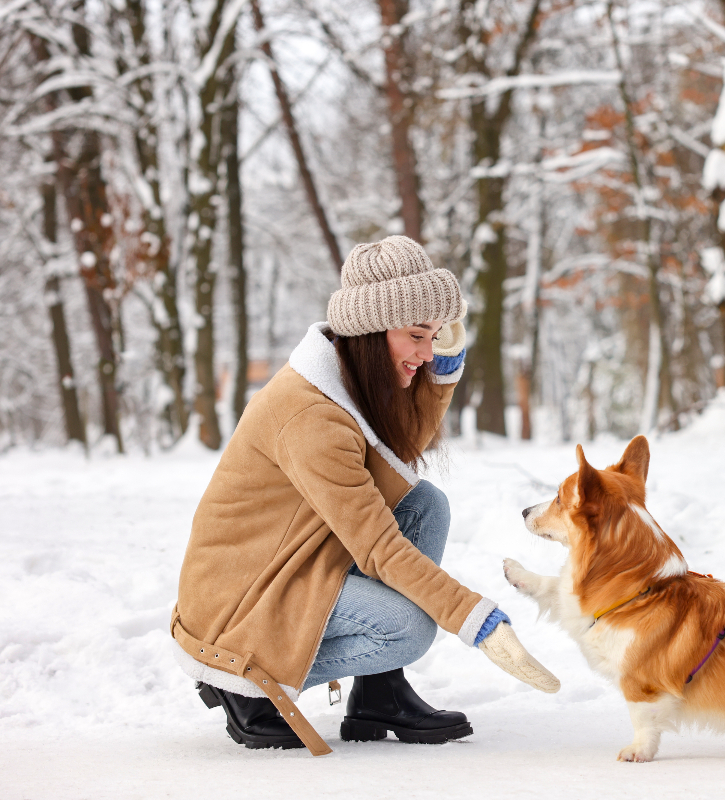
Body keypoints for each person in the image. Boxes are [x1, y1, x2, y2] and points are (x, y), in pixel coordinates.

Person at [171, 236, 557, 755]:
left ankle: (378, 693)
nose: (426, 352)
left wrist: (440, 378)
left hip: (294, 562)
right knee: (409, 628)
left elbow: (390, 465)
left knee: (425, 505)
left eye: (436, 336)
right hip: (244, 598)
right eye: (417, 336)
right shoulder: (312, 418)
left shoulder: (341, 378)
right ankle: (244, 678)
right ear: (372, 332)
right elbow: (379, 548)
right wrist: (477, 622)